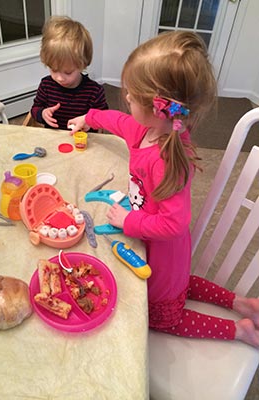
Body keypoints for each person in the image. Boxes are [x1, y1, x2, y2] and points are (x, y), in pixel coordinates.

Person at [68, 31, 259, 348]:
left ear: (158, 110)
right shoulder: (149, 129)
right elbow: (117, 120)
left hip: (163, 251)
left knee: (163, 315)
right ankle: (242, 303)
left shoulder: (165, 160)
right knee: (181, 287)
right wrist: (89, 117)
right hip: (161, 246)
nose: (125, 98)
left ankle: (239, 330)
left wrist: (127, 222)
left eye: (131, 94)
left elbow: (174, 223)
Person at [31, 16, 108, 130]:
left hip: (82, 142)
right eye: (54, 69)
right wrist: (42, 114)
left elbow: (104, 118)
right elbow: (35, 109)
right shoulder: (46, 85)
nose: (60, 78)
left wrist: (89, 122)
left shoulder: (94, 91)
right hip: (54, 140)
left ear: (82, 65)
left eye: (68, 72)